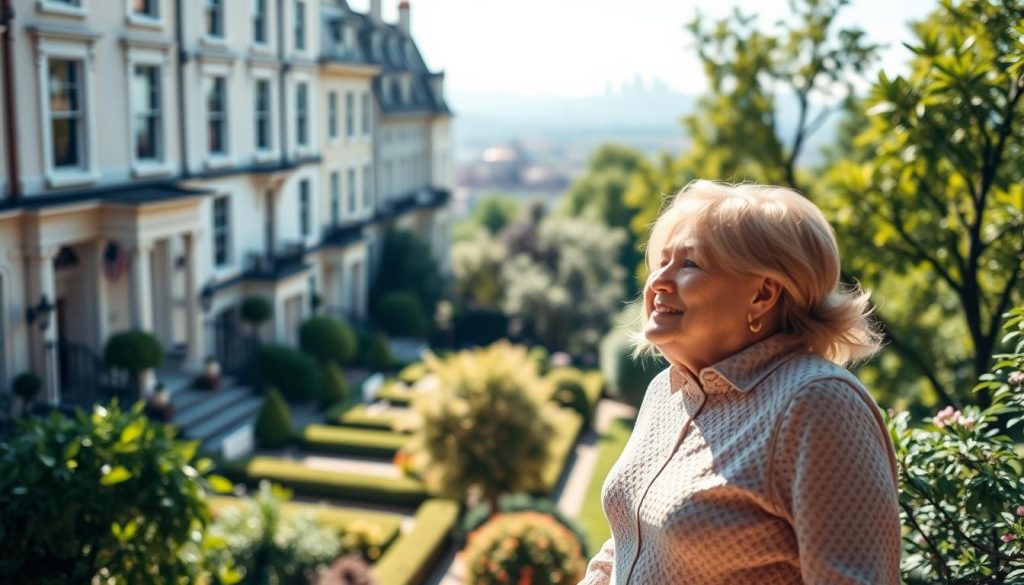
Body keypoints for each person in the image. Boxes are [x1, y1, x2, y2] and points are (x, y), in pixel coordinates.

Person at [579, 181, 901, 584]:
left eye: (689, 265)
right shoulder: (666, 391)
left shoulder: (817, 403)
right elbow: (629, 541)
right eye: (661, 261)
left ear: (763, 295)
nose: (658, 282)